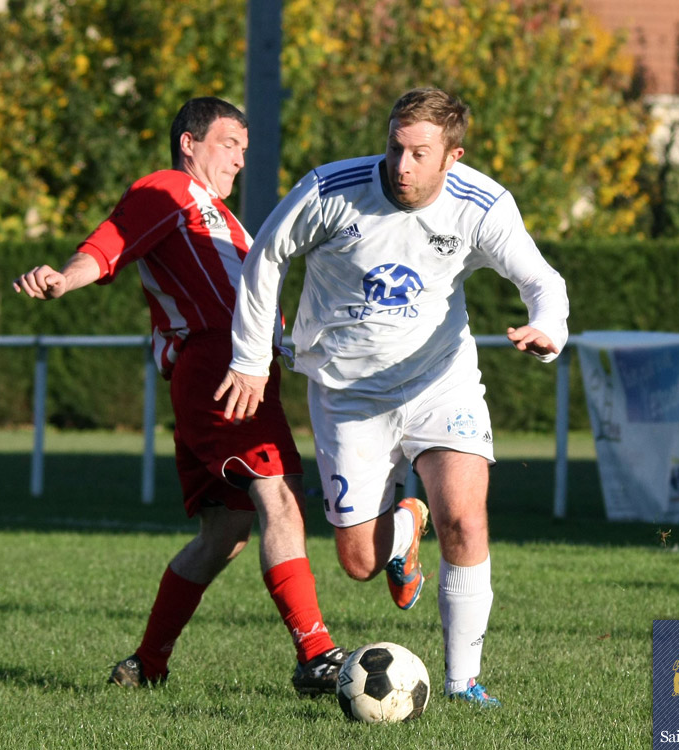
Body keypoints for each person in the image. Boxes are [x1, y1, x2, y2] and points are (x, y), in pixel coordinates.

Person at [217, 87, 570, 708]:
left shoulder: (483, 205)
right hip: (347, 396)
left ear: (451, 157)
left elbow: (540, 279)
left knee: (464, 517)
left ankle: (464, 683)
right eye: (394, 146)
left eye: (418, 153)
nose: (400, 166)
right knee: (359, 563)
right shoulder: (331, 189)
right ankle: (405, 531)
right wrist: (249, 358)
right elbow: (266, 255)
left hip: (441, 383)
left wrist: (549, 327)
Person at [12, 97, 346, 695]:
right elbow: (110, 242)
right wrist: (66, 276)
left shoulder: (226, 219)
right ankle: (316, 653)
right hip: (219, 368)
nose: (240, 160)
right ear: (189, 143)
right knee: (279, 497)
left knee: (226, 532)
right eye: (228, 144)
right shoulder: (168, 189)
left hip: (223, 371)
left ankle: (147, 663)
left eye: (245, 149)